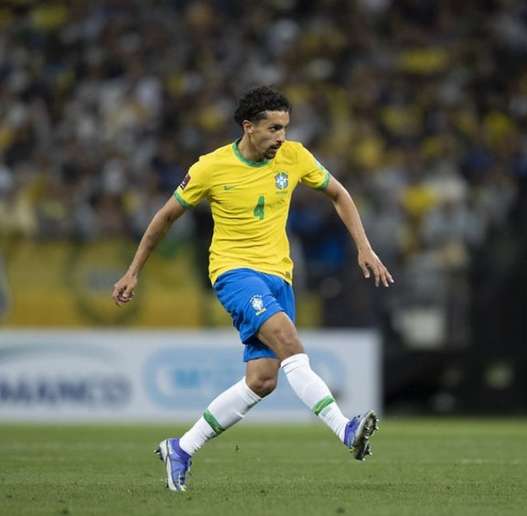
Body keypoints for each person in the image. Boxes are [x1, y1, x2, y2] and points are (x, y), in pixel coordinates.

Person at [112, 86, 394, 492]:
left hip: (279, 277)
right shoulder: (211, 167)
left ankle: (182, 447)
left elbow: (339, 194)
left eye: (285, 127)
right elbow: (165, 217)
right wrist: (133, 271)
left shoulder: (295, 156)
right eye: (273, 128)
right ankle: (344, 428)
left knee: (262, 380)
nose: (281, 137)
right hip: (234, 272)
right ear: (249, 127)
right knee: (288, 340)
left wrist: (363, 248)